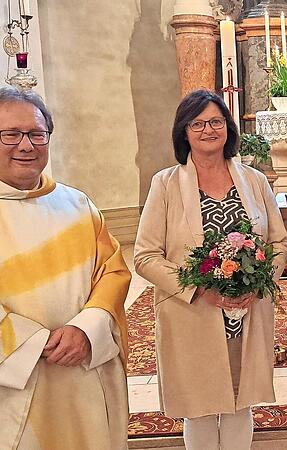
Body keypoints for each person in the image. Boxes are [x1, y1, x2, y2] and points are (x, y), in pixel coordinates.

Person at [134, 89, 287, 449]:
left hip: (247, 312)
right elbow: (145, 256)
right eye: (198, 123)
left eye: (216, 122)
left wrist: (260, 281)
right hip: (192, 311)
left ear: (228, 128)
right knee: (200, 407)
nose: (208, 130)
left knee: (240, 403)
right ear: (184, 132)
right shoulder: (166, 184)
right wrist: (200, 288)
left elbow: (280, 243)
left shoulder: (254, 181)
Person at [0, 87, 131, 449]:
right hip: (16, 382)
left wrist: (86, 330)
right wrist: (33, 343)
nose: (26, 146)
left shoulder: (77, 205)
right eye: (10, 134)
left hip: (81, 370)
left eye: (37, 134)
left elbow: (113, 272)